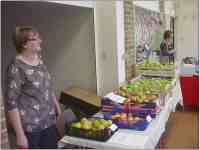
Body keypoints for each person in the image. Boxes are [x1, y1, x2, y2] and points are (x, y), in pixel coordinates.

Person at [5, 26, 62, 149]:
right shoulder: (16, 67)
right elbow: (11, 103)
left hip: (48, 122)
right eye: (36, 39)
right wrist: (20, 135)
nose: (40, 41)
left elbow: (46, 85)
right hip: (31, 128)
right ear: (25, 44)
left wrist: (56, 105)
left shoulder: (38, 60)